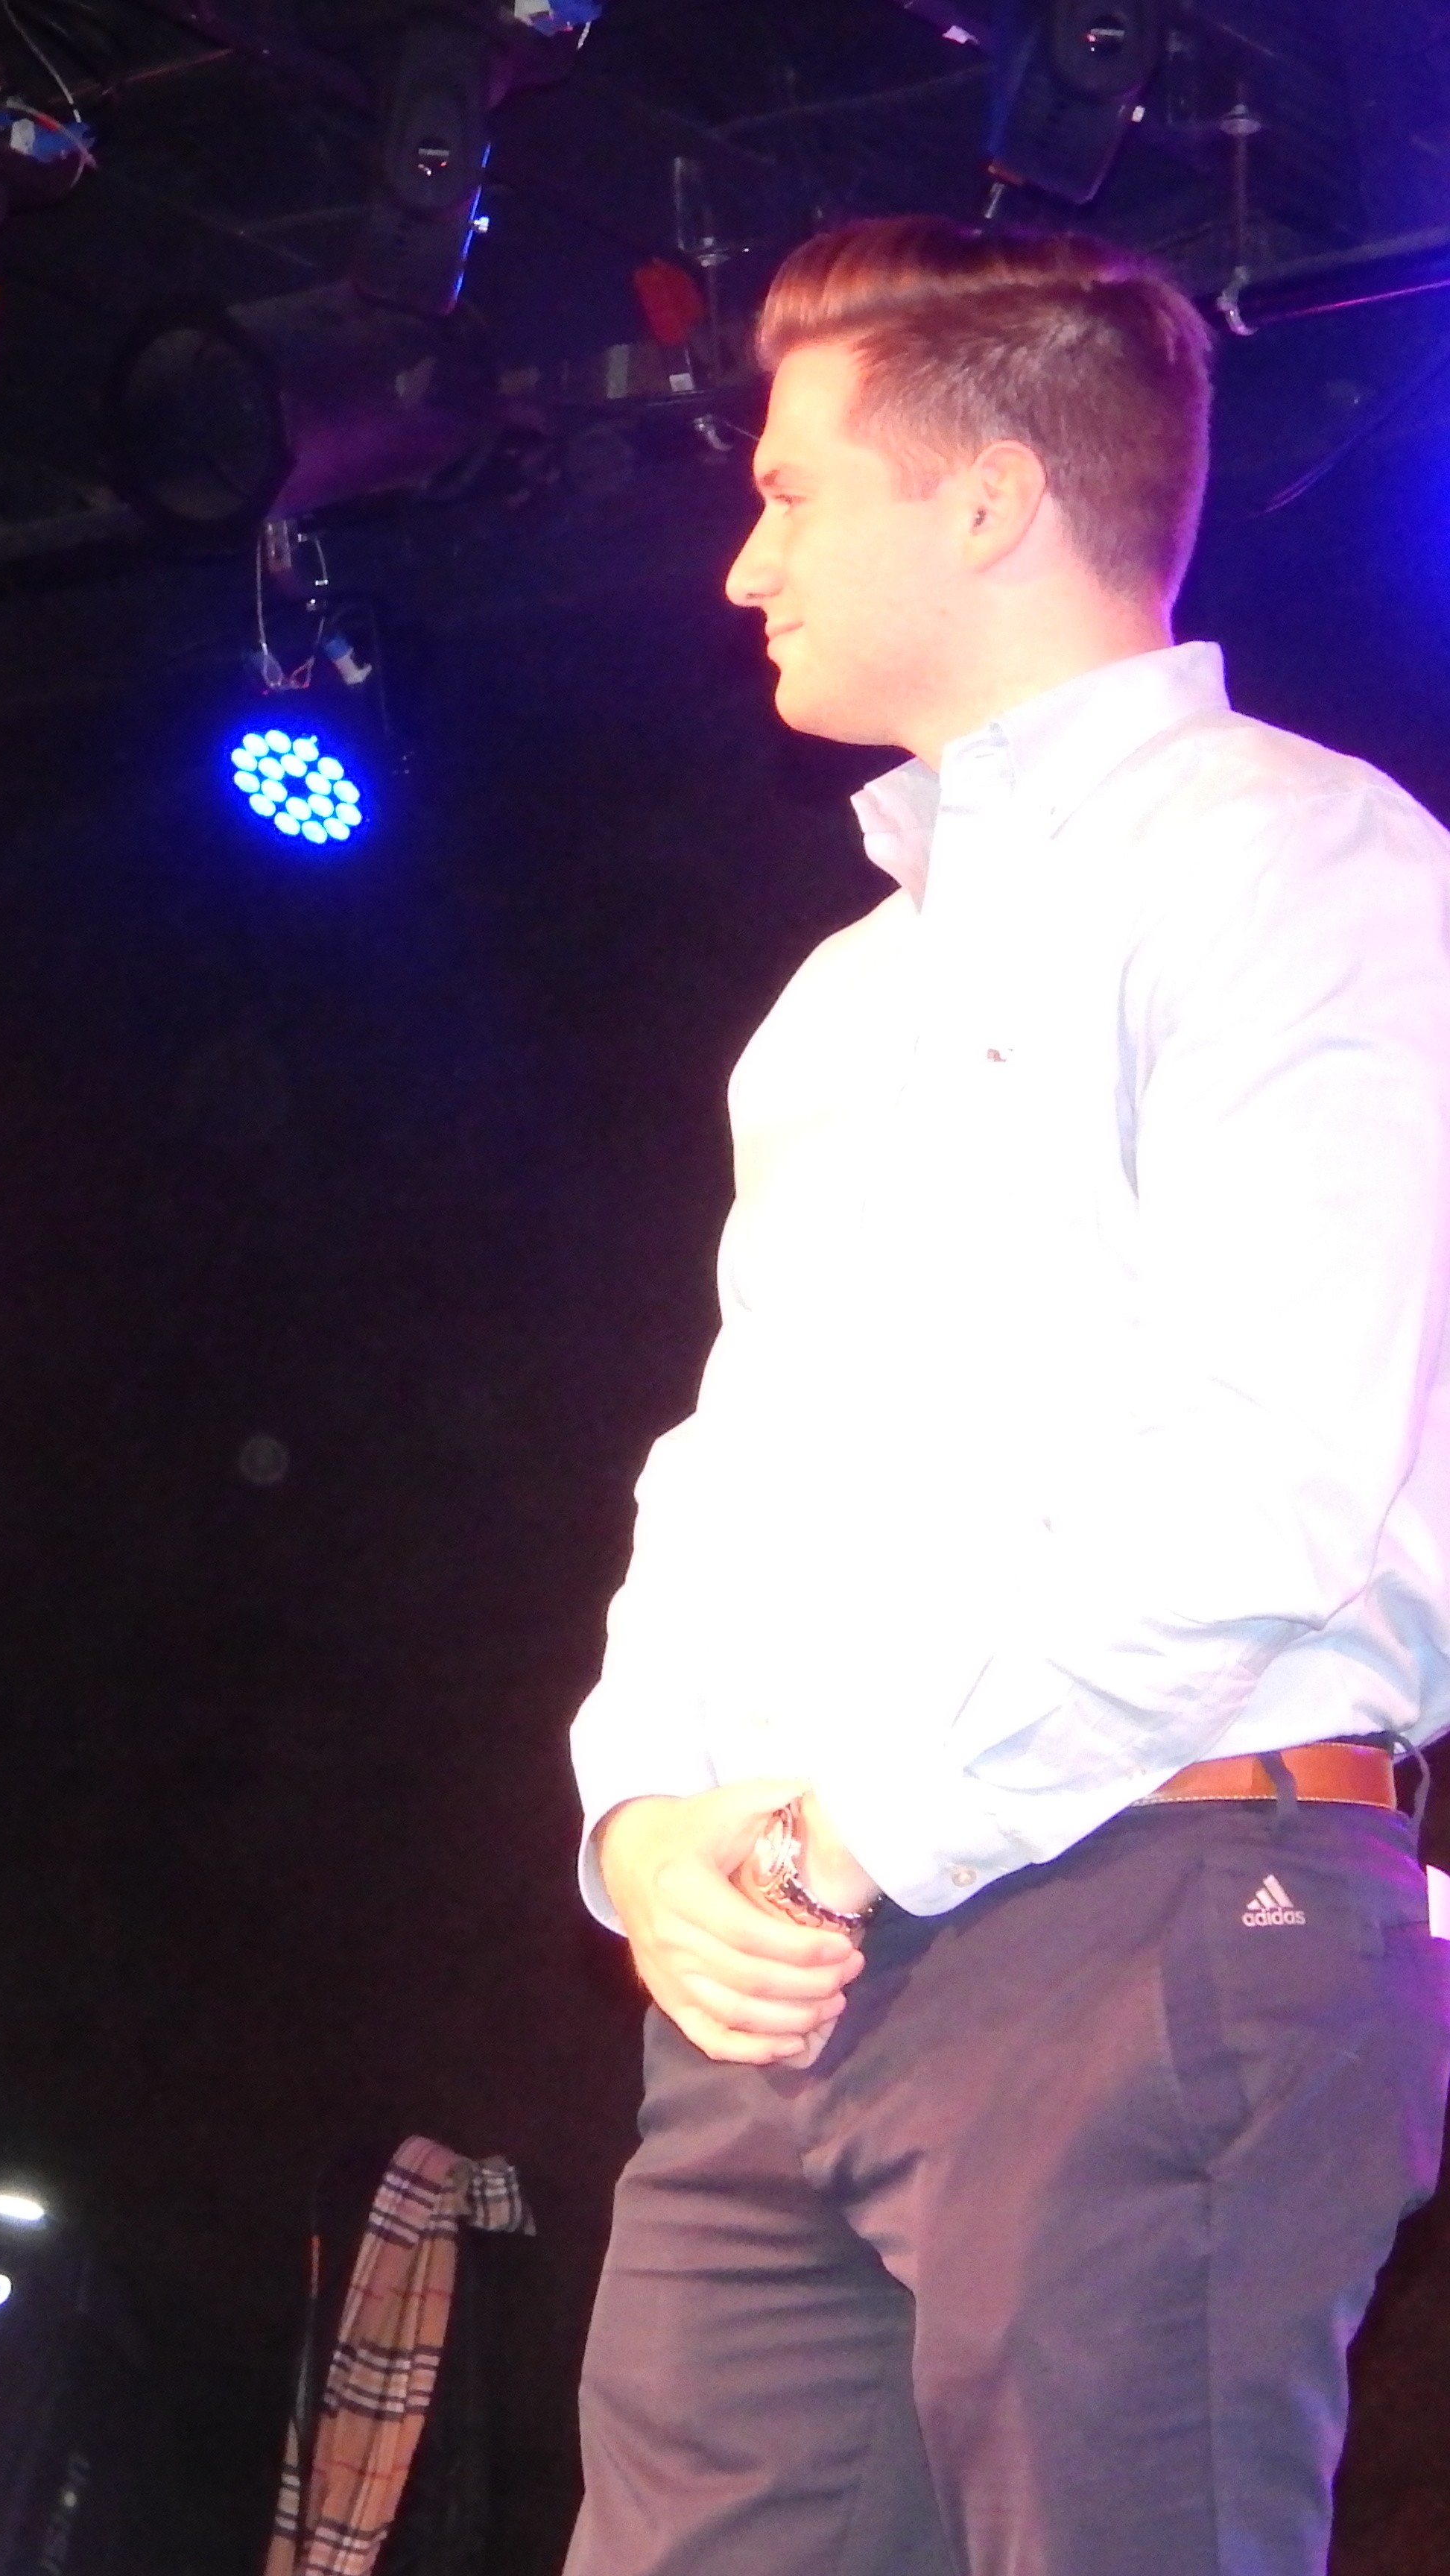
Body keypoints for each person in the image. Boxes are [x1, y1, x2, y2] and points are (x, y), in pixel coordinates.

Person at [563, 214, 1450, 2575]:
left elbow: (1281, 1471)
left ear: (982, 501)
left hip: (1150, 1901)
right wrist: (641, 1819)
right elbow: (724, 1472)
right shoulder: (841, 997)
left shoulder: (1302, 863)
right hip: (806, 1962)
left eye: (789, 491)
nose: (746, 564)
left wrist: (855, 1826)